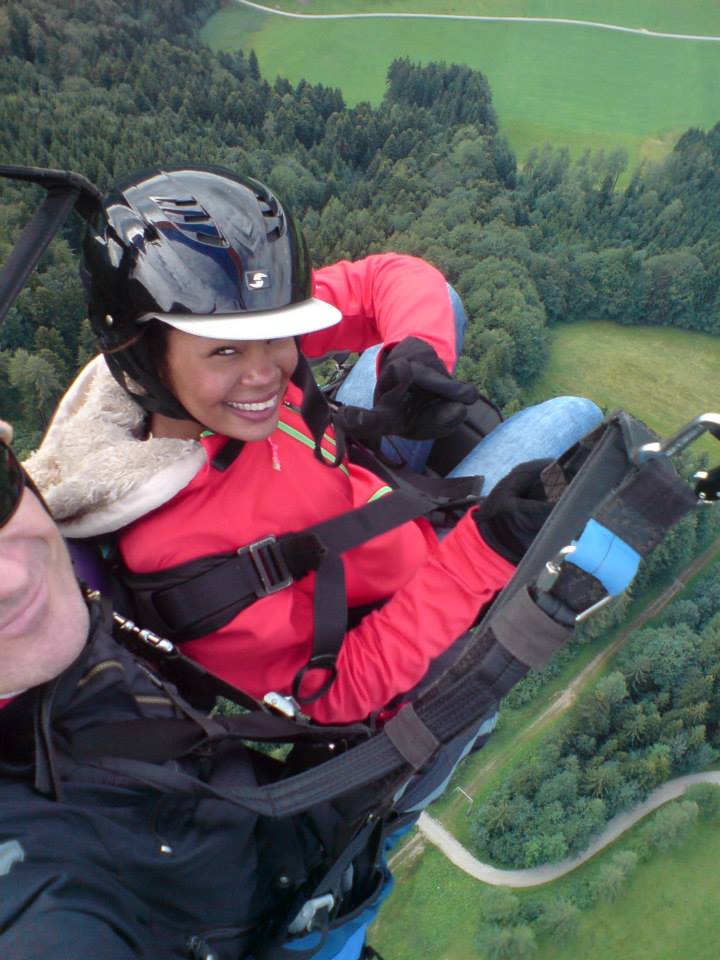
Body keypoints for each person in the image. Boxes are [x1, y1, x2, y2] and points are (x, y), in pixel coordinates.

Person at [26, 163, 602, 729]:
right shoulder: (181, 555)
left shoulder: (221, 339)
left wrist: (416, 354)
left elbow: (384, 280)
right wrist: (484, 551)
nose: (268, 372)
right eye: (226, 352)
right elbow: (334, 695)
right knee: (575, 415)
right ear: (144, 358)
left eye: (277, 335)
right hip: (414, 582)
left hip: (357, 484)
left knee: (437, 304)